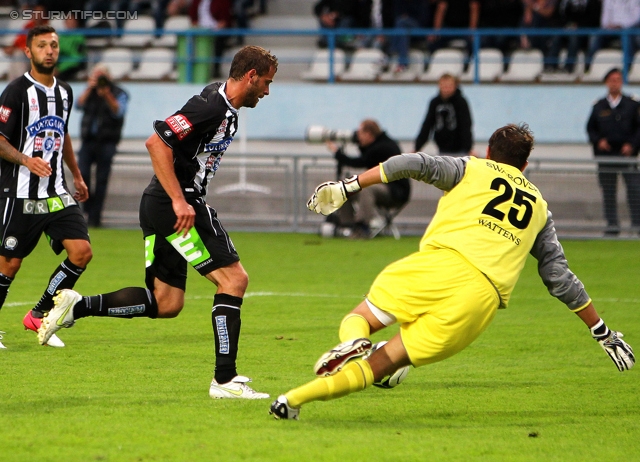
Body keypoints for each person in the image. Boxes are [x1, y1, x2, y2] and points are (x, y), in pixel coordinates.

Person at [269, 123, 635, 420]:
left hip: (439, 264)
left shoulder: (471, 167)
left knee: (360, 317)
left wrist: (349, 185)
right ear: (525, 167)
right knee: (380, 365)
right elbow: (559, 277)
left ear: (489, 153)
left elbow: (410, 163)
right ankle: (292, 401)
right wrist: (602, 332)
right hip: (480, 300)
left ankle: (347, 343)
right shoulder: (540, 209)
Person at [38, 45, 278, 400]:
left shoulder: (221, 103)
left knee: (167, 303)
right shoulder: (211, 106)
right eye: (267, 83)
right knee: (234, 280)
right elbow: (156, 143)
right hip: (175, 205)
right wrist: (181, 200)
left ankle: (79, 305)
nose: (267, 92)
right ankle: (225, 381)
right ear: (251, 76)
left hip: (160, 204)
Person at [0, 25, 91, 349]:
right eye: (42, 45)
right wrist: (26, 160)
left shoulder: (65, 91)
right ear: (29, 52)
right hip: (21, 192)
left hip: (55, 191)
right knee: (9, 264)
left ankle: (38, 314)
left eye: (53, 44)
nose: (50, 50)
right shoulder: (15, 92)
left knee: (81, 252)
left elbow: (62, 135)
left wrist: (76, 174)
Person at [325, 119, 411, 238]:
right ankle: (347, 226)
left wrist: (337, 153)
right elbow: (367, 156)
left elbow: (361, 161)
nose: (357, 137)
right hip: (384, 187)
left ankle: (362, 226)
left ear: (369, 134)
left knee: (367, 189)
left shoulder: (384, 147)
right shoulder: (378, 144)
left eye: (360, 134)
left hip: (395, 192)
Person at [586, 67, 640, 236]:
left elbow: (639, 129)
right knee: (609, 191)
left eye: (617, 79)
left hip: (627, 155)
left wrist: (632, 145)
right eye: (611, 80)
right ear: (606, 83)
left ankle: (637, 225)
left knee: (634, 190)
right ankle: (612, 226)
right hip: (606, 154)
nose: (614, 83)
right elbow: (591, 128)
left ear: (622, 82)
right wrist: (598, 141)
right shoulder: (599, 105)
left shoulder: (632, 104)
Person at [76, 64, 129, 228]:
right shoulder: (89, 92)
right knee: (82, 174)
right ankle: (87, 208)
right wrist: (88, 88)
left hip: (107, 142)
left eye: (101, 76)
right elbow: (77, 105)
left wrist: (107, 95)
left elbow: (118, 112)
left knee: (101, 180)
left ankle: (95, 217)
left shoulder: (119, 93)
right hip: (88, 140)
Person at [415, 73, 474, 156]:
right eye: (443, 86)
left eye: (449, 86)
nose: (446, 89)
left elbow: (466, 125)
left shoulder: (461, 102)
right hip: (442, 148)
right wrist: (417, 147)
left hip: (460, 149)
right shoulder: (435, 102)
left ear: (455, 86)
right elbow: (427, 125)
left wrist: (468, 148)